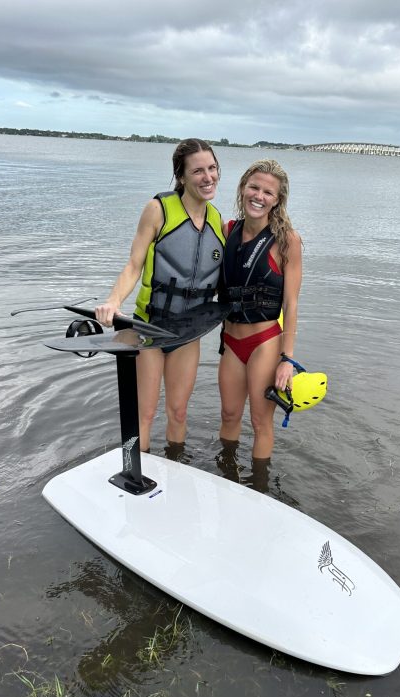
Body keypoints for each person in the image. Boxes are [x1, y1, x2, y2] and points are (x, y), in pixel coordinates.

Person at [95, 138, 224, 452]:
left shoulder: (218, 221)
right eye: (198, 171)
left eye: (212, 168)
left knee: (178, 412)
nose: (208, 177)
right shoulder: (158, 209)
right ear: (181, 176)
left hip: (187, 333)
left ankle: (173, 472)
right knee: (146, 413)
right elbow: (133, 265)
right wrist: (114, 302)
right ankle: (136, 474)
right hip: (149, 329)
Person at [218, 159, 302, 461]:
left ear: (277, 200)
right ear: (242, 189)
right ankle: (226, 473)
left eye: (268, 192)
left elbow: (291, 304)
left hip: (264, 343)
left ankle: (259, 487)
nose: (259, 196)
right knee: (229, 414)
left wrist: (287, 359)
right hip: (231, 341)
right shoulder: (227, 231)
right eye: (254, 187)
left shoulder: (287, 241)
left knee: (259, 421)